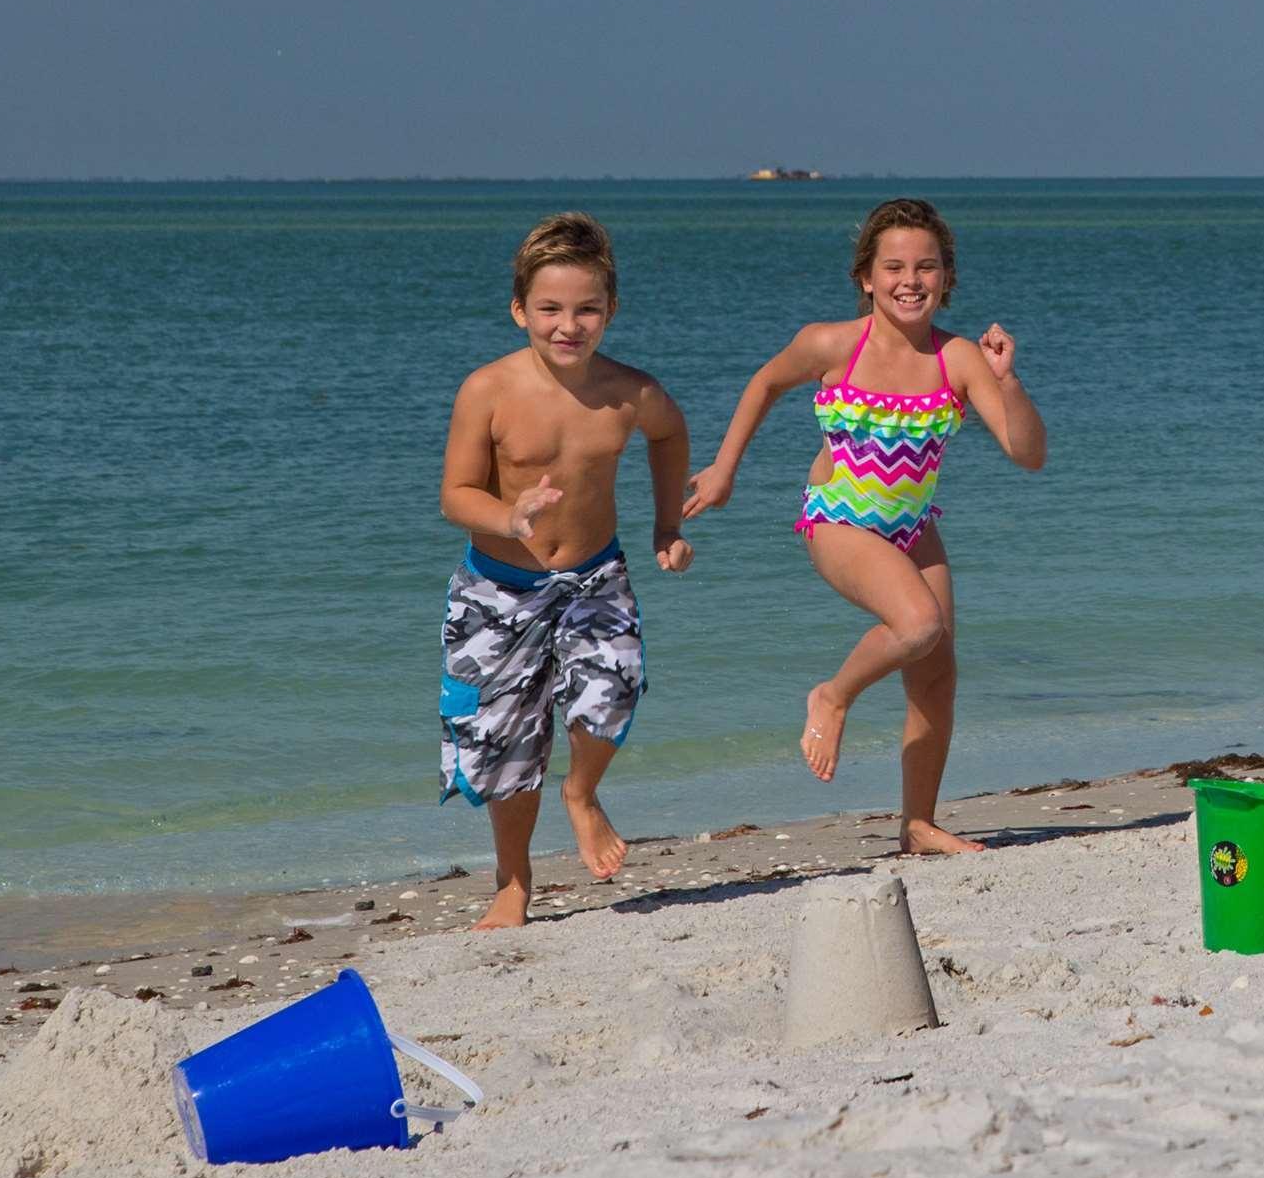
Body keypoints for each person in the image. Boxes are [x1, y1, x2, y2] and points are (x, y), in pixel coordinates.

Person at [682, 198, 1045, 857]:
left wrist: (1008, 381)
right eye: (895, 267)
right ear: (867, 278)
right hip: (839, 518)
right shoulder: (831, 344)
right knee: (917, 625)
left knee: (936, 678)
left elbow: (1028, 454)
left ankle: (918, 825)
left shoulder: (958, 358)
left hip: (914, 527)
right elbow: (765, 384)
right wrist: (724, 468)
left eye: (926, 267)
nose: (911, 280)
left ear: (947, 279)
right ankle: (833, 694)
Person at [436, 214, 694, 930]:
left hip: (593, 576)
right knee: (505, 744)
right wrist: (508, 516)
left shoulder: (630, 393)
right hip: (497, 587)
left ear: (610, 312)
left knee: (611, 686)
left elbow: (670, 436)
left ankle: (581, 793)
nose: (568, 325)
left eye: (587, 310)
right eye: (549, 309)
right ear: (520, 309)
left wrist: (666, 524)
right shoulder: (486, 390)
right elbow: (454, 493)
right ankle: (513, 884)